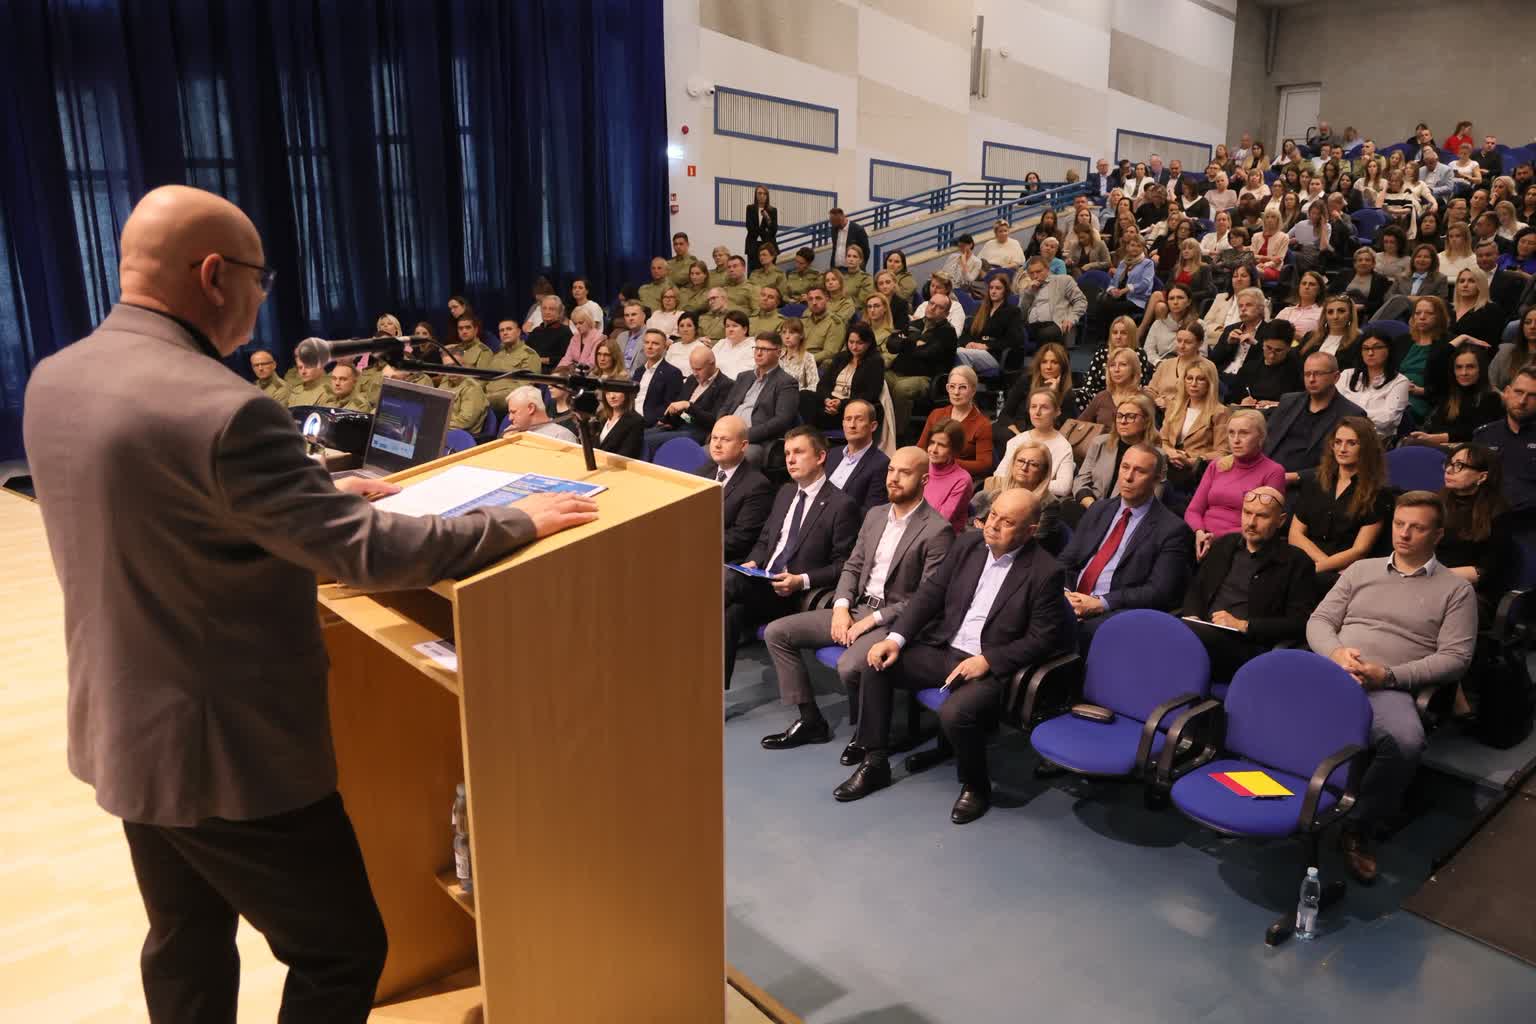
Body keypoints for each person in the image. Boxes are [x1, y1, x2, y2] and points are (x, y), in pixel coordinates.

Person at [21, 184, 601, 1024]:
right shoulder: (226, 410)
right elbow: (371, 555)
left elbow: (164, 503)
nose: (262, 300)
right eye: (259, 279)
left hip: (125, 729)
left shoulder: (57, 378)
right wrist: (515, 520)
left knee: (185, 940)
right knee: (341, 953)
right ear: (214, 274)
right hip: (227, 751)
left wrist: (311, 491)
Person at [848, 488, 1070, 823]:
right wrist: (895, 639)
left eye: (1007, 522)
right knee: (877, 665)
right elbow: (929, 595)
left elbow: (1044, 638)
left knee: (955, 713)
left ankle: (976, 786)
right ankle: (875, 761)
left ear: (1030, 530)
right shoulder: (968, 544)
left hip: (991, 665)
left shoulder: (1046, 571)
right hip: (945, 647)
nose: (993, 525)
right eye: (993, 515)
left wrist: (989, 661)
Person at [1306, 492, 1477, 883]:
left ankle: (1357, 826)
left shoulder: (1455, 590)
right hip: (1333, 673)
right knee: (1270, 705)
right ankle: (1282, 800)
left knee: (1406, 743)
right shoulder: (1361, 570)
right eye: (1400, 524)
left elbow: (1456, 659)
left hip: (1389, 686)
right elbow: (1319, 621)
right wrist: (1336, 653)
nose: (1404, 534)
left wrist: (1388, 675)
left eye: (1417, 528)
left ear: (1438, 534)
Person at [760, 447, 953, 750]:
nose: (894, 478)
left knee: (850, 666)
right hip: (857, 607)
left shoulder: (938, 530)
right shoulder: (875, 515)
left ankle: (867, 734)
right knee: (777, 633)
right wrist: (841, 608)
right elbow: (852, 566)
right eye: (891, 470)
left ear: (924, 480)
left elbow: (925, 598)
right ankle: (811, 721)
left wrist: (871, 621)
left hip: (893, 620)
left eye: (904, 472)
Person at [724, 427, 860, 685]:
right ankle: (714, 691)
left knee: (727, 581)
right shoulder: (785, 492)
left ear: (820, 457)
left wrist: (801, 580)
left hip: (794, 593)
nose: (790, 459)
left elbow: (843, 565)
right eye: (787, 453)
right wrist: (753, 561)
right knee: (731, 611)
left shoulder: (841, 505)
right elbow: (765, 540)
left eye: (798, 452)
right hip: (762, 581)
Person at [1058, 444, 1196, 646]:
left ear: (1157, 479)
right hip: (1073, 599)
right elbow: (1067, 560)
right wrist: (1066, 594)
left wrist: (1101, 603)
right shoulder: (1099, 509)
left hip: (1116, 611)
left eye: (1139, 471)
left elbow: (1158, 591)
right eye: (1125, 467)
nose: (1128, 477)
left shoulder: (1172, 529)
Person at [1179, 486, 1317, 682]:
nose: (1251, 522)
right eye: (1247, 513)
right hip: (1201, 633)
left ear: (1281, 520)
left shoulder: (1296, 562)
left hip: (1246, 647)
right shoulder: (1223, 545)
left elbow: (1299, 623)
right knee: (1161, 630)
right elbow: (1196, 590)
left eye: (1262, 516)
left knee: (1175, 640)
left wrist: (1244, 625)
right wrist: (1192, 616)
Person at [1288, 417, 1391, 593]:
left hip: (1347, 570)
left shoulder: (1378, 493)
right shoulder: (1315, 481)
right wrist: (1319, 564)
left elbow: (1360, 550)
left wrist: (1318, 568)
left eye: (1352, 443)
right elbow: (1295, 535)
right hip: (1308, 562)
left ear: (1366, 448)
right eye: (1338, 442)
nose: (1342, 449)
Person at [1437, 442, 1516, 630]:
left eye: (1459, 466)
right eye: (1449, 463)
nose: (1449, 470)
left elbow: (1487, 571)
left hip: (1473, 591)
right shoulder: (1437, 502)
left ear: (1482, 477)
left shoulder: (1499, 513)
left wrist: (1432, 576)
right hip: (1432, 581)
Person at [1186, 410, 1287, 555]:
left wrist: (1217, 538)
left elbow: (1264, 522)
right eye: (1231, 433)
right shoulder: (1217, 465)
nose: (1236, 440)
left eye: (1244, 433)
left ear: (1261, 436)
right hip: (1200, 537)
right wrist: (1199, 533)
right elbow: (1193, 510)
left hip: (1239, 543)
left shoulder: (1274, 471)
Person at [1264, 352, 1367, 480]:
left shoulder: (1351, 414)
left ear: (1336, 377)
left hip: (1309, 483)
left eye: (1318, 374)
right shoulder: (1288, 401)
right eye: (1307, 374)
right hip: (1267, 473)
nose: (1311, 379)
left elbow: (1342, 464)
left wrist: (1294, 477)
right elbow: (1267, 440)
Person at [1070, 393, 1161, 523]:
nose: (1123, 421)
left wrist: (1110, 514)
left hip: (1126, 517)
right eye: (1119, 416)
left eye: (1131, 417)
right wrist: (1093, 507)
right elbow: (1081, 481)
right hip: (1091, 507)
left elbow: (1153, 498)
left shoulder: (1156, 456)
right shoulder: (1099, 443)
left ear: (1146, 421)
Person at [701, 416, 775, 564]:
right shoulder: (703, 471)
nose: (717, 445)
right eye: (714, 438)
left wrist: (696, 543)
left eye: (725, 440)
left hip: (722, 559)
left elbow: (741, 538)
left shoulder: (757, 485)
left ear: (743, 446)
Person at [719, 331, 799, 465]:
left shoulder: (786, 382)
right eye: (756, 348)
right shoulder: (743, 377)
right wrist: (720, 427)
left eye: (765, 349)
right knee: (701, 455)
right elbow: (726, 407)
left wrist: (744, 436)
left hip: (756, 441)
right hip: (726, 435)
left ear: (779, 353)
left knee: (739, 457)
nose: (758, 353)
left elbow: (782, 421)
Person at [884, 293, 958, 428]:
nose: (933, 308)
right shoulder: (914, 324)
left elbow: (927, 353)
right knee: (877, 376)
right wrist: (914, 343)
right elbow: (891, 345)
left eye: (939, 307)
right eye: (931, 303)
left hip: (925, 377)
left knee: (902, 389)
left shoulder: (947, 332)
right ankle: (880, 427)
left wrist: (905, 343)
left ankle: (898, 433)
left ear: (946, 314)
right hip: (897, 372)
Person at [1408, 343, 1505, 446]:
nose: (1464, 372)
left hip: (1467, 449)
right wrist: (1462, 338)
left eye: (1470, 367)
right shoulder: (1449, 392)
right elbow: (1436, 360)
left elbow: (1476, 432)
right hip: (1436, 444)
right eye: (1459, 367)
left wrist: (1437, 438)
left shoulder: (1491, 396)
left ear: (1481, 369)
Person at [1473, 365, 1536, 515]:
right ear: (1507, 393)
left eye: (1532, 395)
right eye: (1518, 392)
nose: (1522, 401)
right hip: (1489, 517)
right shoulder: (1484, 435)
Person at [1160, 357, 1229, 489]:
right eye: (1189, 378)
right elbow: (1162, 440)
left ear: (1210, 383)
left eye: (1200, 379)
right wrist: (1171, 453)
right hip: (1169, 464)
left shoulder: (1220, 412)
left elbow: (1222, 453)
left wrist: (1191, 461)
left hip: (1197, 472)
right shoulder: (1174, 406)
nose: (1193, 383)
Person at [983, 442, 1063, 554]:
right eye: (1020, 461)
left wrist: (985, 531)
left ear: (1044, 472)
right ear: (1013, 463)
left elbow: (1028, 542)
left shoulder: (1049, 504)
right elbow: (976, 522)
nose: (1024, 468)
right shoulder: (997, 491)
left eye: (1033, 464)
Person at [996, 388, 1076, 499]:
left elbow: (1064, 487)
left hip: (1040, 501)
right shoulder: (1017, 440)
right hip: (1008, 495)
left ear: (1057, 412)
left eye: (1044, 407)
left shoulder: (1063, 447)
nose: (1037, 412)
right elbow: (999, 475)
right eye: (1033, 406)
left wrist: (1026, 482)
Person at [1341, 328, 1412, 441]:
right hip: (1340, 435)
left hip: (1375, 440)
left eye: (1377, 347)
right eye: (1365, 348)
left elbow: (1388, 419)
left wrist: (1348, 416)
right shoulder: (1346, 375)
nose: (1370, 353)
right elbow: (1333, 407)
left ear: (1389, 350)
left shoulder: (1400, 381)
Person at [815, 322, 885, 431]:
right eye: (851, 342)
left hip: (851, 408)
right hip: (830, 404)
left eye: (859, 343)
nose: (854, 347)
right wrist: (827, 400)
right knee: (805, 396)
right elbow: (823, 384)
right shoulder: (841, 357)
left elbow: (870, 395)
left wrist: (841, 404)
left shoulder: (875, 362)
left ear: (869, 343)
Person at [1086, 234, 1155, 345]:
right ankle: (1103, 340)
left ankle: (1110, 341)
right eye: (1132, 245)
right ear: (1127, 247)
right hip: (1119, 296)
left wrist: (1125, 290)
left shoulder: (1147, 263)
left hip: (1136, 299)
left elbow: (1145, 284)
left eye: (1139, 246)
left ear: (1143, 248)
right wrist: (1112, 290)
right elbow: (1113, 282)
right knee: (1101, 306)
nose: (1135, 248)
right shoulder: (1123, 263)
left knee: (1111, 308)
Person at [824, 400, 890, 511]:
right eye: (848, 419)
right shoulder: (832, 454)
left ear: (873, 426)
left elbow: (872, 512)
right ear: (843, 424)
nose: (852, 425)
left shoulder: (882, 464)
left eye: (859, 419)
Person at [1397, 296, 1455, 421]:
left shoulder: (1447, 344)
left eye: (1429, 313)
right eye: (1418, 313)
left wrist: (1420, 391)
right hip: (1396, 394)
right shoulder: (1403, 340)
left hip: (1425, 402)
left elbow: (1448, 387)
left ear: (1439, 317)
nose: (1422, 317)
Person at [958, 274, 1026, 375]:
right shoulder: (980, 309)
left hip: (994, 354)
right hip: (974, 351)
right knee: (955, 351)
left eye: (998, 288)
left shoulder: (1013, 311)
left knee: (960, 353)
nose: (993, 291)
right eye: (991, 288)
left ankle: (967, 382)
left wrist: (987, 346)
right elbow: (966, 334)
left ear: (1005, 291)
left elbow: (1014, 340)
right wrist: (968, 343)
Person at [1014, 255, 1087, 349]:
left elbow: (1081, 301)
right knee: (1013, 334)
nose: (1035, 276)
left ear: (1047, 269)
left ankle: (1049, 357)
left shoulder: (1063, 280)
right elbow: (1021, 314)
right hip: (1032, 325)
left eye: (1038, 271)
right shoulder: (1028, 288)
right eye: (1031, 273)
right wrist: (1028, 293)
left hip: (1055, 323)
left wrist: (1071, 318)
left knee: (1046, 334)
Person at [1079, 348, 1153, 431]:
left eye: (1123, 365)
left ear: (1133, 369)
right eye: (1112, 365)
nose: (1116, 369)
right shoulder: (1102, 397)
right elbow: (1079, 425)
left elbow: (1152, 432)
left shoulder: (1144, 399)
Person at [921, 421, 975, 532]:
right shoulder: (920, 466)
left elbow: (941, 521)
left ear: (954, 450)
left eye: (942, 445)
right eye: (932, 443)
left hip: (941, 535)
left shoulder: (962, 480)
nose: (933, 450)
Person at [1234, 320, 1303, 405]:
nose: (1272, 356)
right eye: (1268, 348)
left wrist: (1277, 404)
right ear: (1263, 343)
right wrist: (1242, 402)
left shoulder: (1297, 371)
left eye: (1278, 351)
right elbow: (1232, 399)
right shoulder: (1249, 368)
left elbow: (1301, 402)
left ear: (1288, 348)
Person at [630, 328, 687, 426]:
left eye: (655, 343)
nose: (650, 347)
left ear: (664, 347)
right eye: (647, 342)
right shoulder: (639, 371)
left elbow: (670, 404)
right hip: (630, 418)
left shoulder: (672, 373)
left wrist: (655, 421)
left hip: (650, 422)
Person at [485, 320, 542, 415]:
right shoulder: (497, 355)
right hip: (488, 397)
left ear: (519, 332)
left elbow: (525, 387)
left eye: (509, 329)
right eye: (502, 330)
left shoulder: (529, 354)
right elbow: (486, 380)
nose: (505, 333)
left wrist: (486, 397)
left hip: (510, 398)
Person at [800, 285, 849, 367]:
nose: (814, 303)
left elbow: (830, 352)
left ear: (827, 299)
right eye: (810, 299)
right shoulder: (804, 321)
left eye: (818, 298)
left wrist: (805, 360)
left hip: (816, 365)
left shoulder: (834, 322)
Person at [592, 382, 644, 459]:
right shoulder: (602, 416)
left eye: (616, 391)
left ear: (626, 393)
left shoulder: (636, 421)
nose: (612, 396)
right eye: (608, 393)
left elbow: (627, 454)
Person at [1489, 307, 1536, 391]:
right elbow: (1490, 383)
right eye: (1527, 322)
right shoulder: (1505, 351)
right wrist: (1505, 397)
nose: (1532, 326)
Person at [712, 310, 756, 380]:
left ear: (745, 329)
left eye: (734, 326)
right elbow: (709, 363)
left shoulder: (753, 347)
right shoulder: (721, 343)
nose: (730, 329)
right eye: (727, 326)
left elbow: (745, 374)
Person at [825, 207, 870, 271]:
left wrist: (860, 268)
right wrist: (832, 267)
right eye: (832, 222)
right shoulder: (834, 229)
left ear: (842, 218)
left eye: (835, 222)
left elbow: (866, 252)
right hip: (836, 269)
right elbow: (835, 248)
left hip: (852, 269)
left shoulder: (858, 230)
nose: (833, 225)